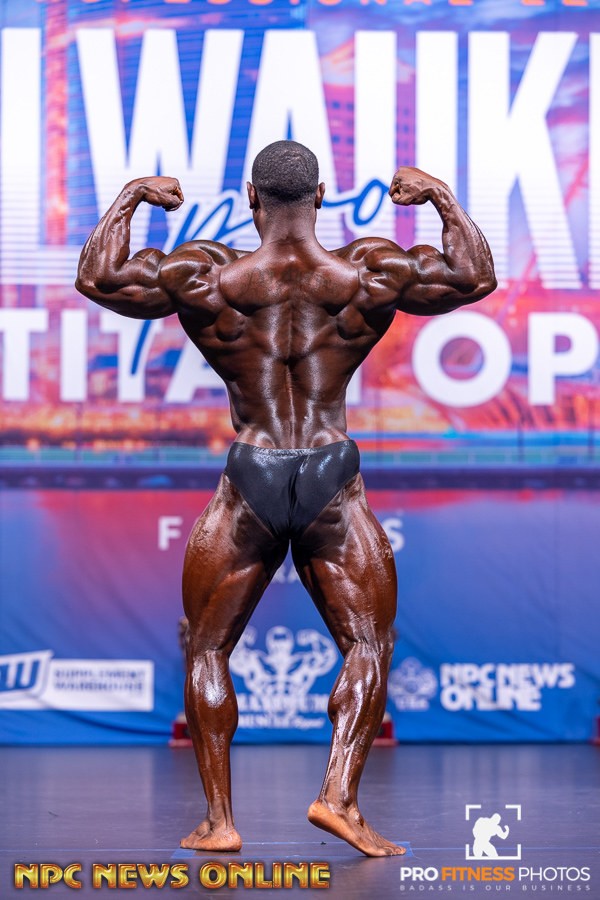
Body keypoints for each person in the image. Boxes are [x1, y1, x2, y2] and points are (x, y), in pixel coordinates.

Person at [76, 140, 496, 857]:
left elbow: (99, 278)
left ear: (251, 198)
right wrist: (438, 196)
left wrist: (133, 196)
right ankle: (338, 798)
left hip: (253, 471)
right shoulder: (368, 271)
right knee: (368, 643)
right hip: (331, 470)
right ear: (322, 196)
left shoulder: (208, 274)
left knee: (208, 647)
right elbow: (474, 276)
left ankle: (220, 822)